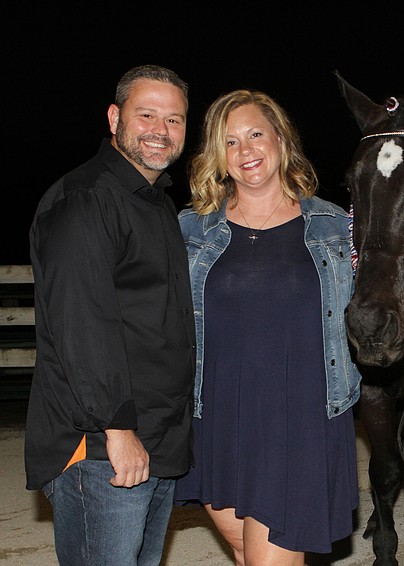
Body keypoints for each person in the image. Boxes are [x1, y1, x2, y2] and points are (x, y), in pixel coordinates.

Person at [173, 89, 362, 566]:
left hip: (300, 419)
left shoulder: (336, 226)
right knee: (244, 551)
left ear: (281, 138)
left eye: (256, 134)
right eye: (230, 141)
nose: (246, 150)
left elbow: (378, 301)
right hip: (216, 416)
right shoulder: (190, 230)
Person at [26, 65, 195, 565]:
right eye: (147, 115)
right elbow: (82, 325)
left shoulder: (155, 202)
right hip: (103, 447)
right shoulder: (86, 199)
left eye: (174, 119)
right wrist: (117, 431)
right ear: (115, 117)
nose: (160, 130)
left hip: (154, 438)